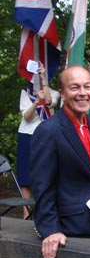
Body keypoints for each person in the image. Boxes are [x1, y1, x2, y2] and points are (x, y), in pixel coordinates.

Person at [30, 66, 90, 258]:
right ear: (62, 93)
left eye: (87, 87)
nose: (83, 93)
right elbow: (43, 185)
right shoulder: (48, 131)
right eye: (75, 88)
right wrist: (50, 230)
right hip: (75, 221)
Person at [17, 63, 59, 219]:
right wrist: (36, 102)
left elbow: (48, 102)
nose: (36, 79)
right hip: (27, 134)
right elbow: (27, 117)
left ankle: (44, 213)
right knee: (25, 176)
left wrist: (43, 79)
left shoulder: (54, 93)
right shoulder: (25, 93)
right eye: (35, 76)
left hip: (46, 136)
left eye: (40, 76)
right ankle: (26, 215)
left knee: (45, 173)